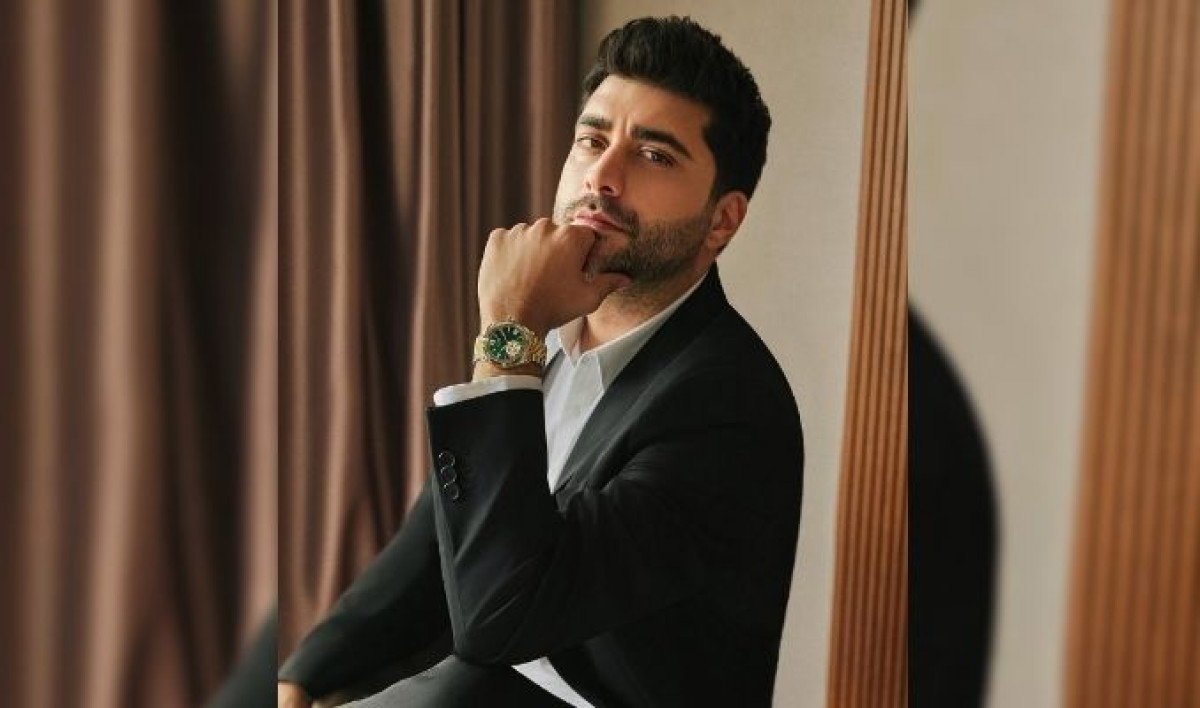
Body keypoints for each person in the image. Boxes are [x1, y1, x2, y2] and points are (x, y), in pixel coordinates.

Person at [279, 16, 803, 707]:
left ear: (722, 220)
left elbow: (499, 620)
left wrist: (508, 331)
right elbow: (441, 537)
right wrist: (306, 673)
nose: (603, 177)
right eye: (592, 140)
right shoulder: (557, 335)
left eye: (654, 155)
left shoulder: (728, 405)